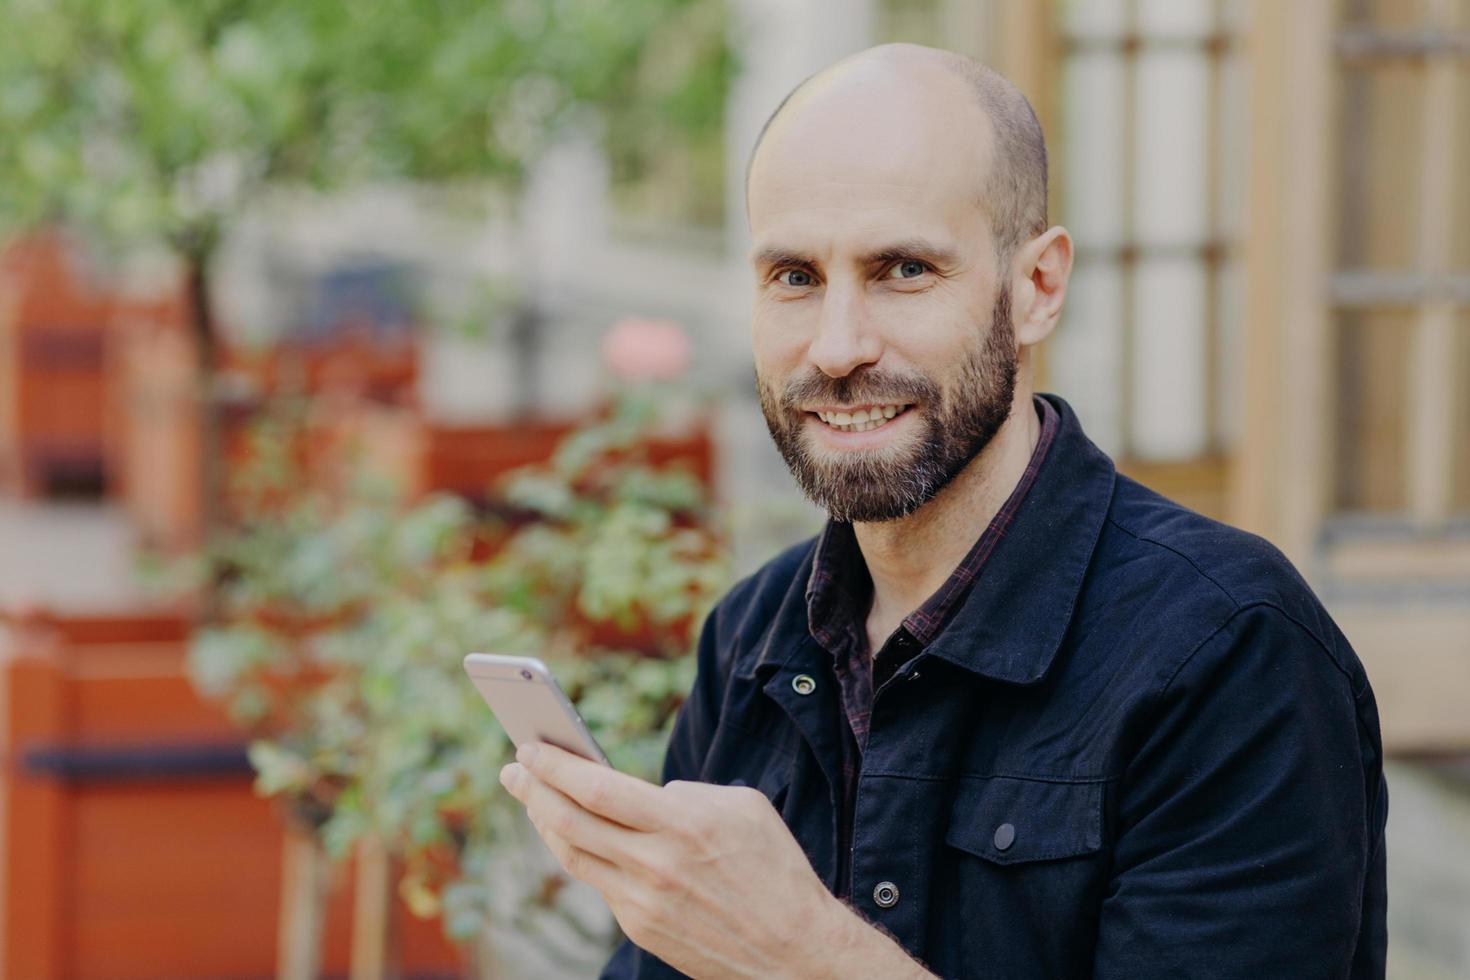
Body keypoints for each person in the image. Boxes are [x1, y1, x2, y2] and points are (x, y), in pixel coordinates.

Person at [498, 43, 1388, 979]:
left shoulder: (1231, 651)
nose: (838, 347)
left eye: (905, 269)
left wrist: (804, 954)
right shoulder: (753, 638)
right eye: (794, 276)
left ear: (1037, 288)